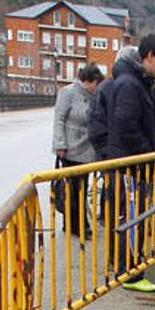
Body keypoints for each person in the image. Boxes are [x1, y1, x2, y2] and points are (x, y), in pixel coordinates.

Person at [106, 34, 155, 292]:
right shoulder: (130, 85)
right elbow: (126, 127)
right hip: (129, 168)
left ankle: (132, 269)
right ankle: (131, 275)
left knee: (133, 218)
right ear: (150, 57)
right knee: (131, 219)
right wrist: (148, 154)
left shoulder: (136, 83)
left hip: (132, 167)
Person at [52, 63, 104, 235]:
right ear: (88, 81)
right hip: (70, 150)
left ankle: (76, 224)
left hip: (86, 150)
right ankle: (78, 225)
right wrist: (60, 144)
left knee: (80, 189)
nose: (97, 88)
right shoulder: (68, 93)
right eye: (96, 83)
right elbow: (59, 119)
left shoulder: (94, 96)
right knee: (72, 190)